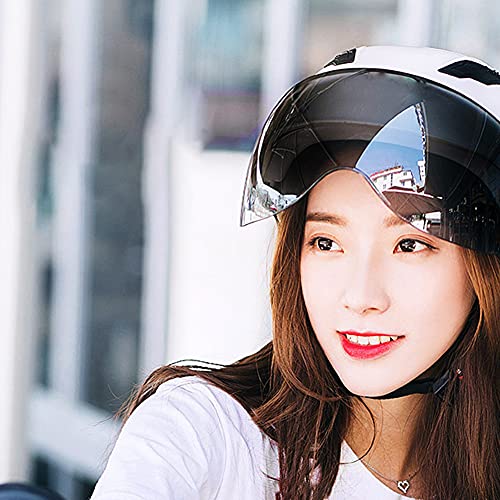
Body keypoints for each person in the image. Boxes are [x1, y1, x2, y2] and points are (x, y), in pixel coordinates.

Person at [90, 46, 500, 500]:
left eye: (409, 244)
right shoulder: (205, 432)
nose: (360, 296)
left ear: (484, 272)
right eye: (326, 243)